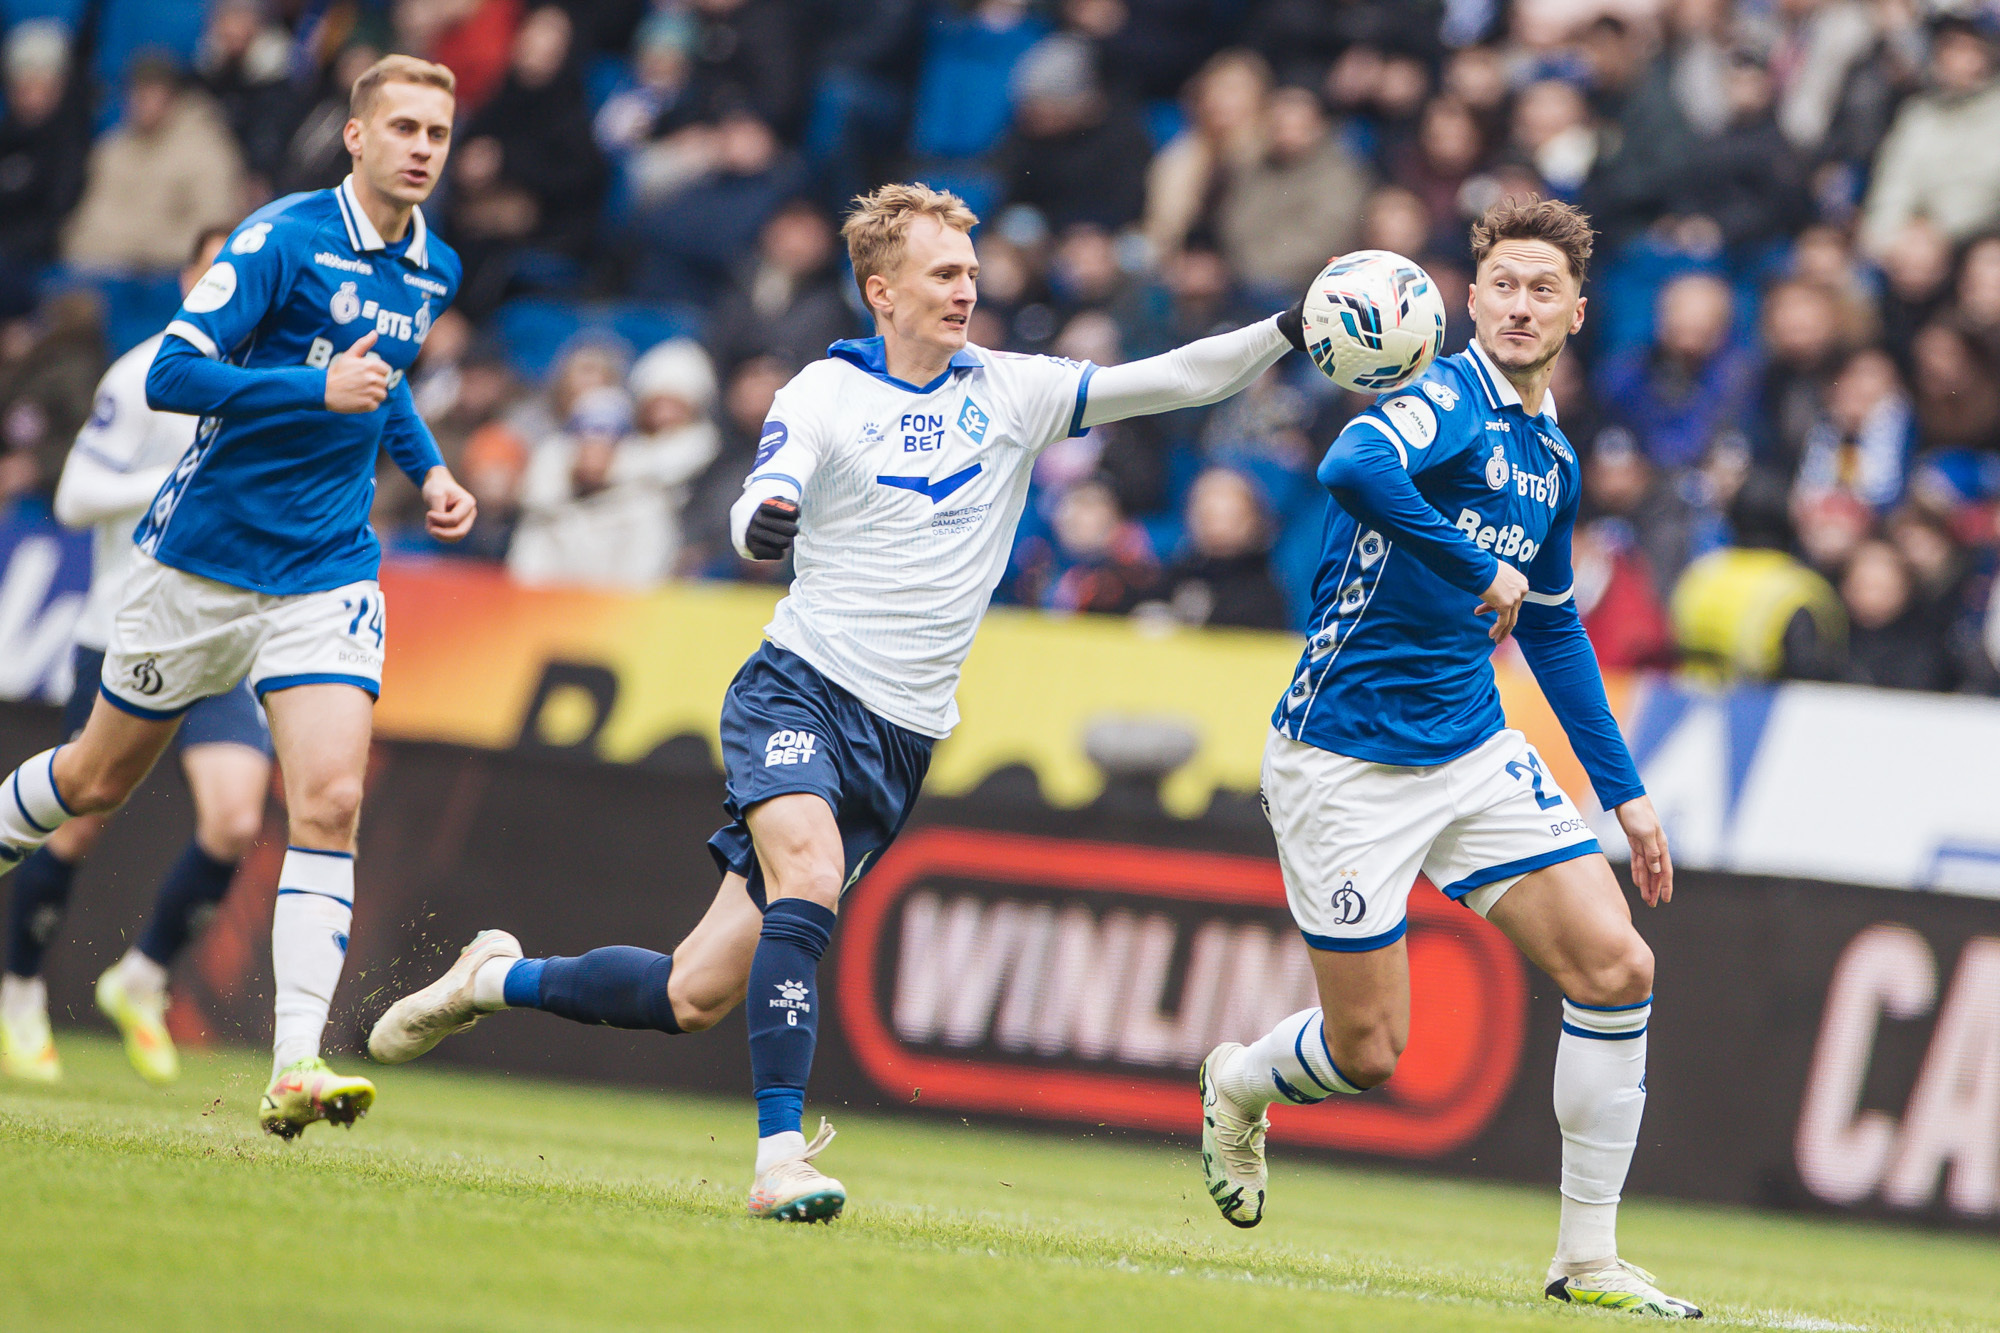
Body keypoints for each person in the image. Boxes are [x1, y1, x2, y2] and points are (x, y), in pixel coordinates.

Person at [367, 181, 1299, 1223]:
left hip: (898, 740)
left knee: (693, 992)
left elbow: (1170, 378)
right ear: (880, 290)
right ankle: (777, 1159)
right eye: (943, 274)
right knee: (805, 871)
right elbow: (764, 490)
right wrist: (766, 519)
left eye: (972, 274)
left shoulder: (1010, 388)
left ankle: (490, 980)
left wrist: (1284, 329)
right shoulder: (822, 391)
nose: (965, 291)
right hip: (797, 687)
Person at [1196, 196, 1701, 1319]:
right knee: (1369, 1052)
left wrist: (1627, 798)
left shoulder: (1549, 452)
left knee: (1618, 970)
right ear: (1470, 300)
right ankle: (1236, 1081)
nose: (1520, 307)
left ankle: (1586, 1258)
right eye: (1502, 286)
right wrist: (1473, 568)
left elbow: (1556, 624)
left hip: (1471, 747)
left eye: (1542, 290)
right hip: (1342, 757)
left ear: (1576, 310)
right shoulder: (1443, 397)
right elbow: (1350, 463)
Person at [0, 56, 477, 1139]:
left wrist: (433, 468)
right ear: (353, 138)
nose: (420, 147)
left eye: (437, 133)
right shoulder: (278, 238)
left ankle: (296, 1063)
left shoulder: (434, 266)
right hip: (201, 565)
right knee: (93, 778)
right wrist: (310, 384)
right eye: (401, 126)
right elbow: (175, 371)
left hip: (326, 570)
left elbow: (383, 384)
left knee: (331, 801)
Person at [1, 228, 275, 1087]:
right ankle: (18, 989)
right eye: (217, 266)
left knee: (235, 817)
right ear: (194, 277)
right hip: (126, 626)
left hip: (221, 632)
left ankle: (143, 976)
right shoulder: (143, 373)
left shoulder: (269, 375)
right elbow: (76, 494)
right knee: (79, 817)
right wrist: (172, 489)